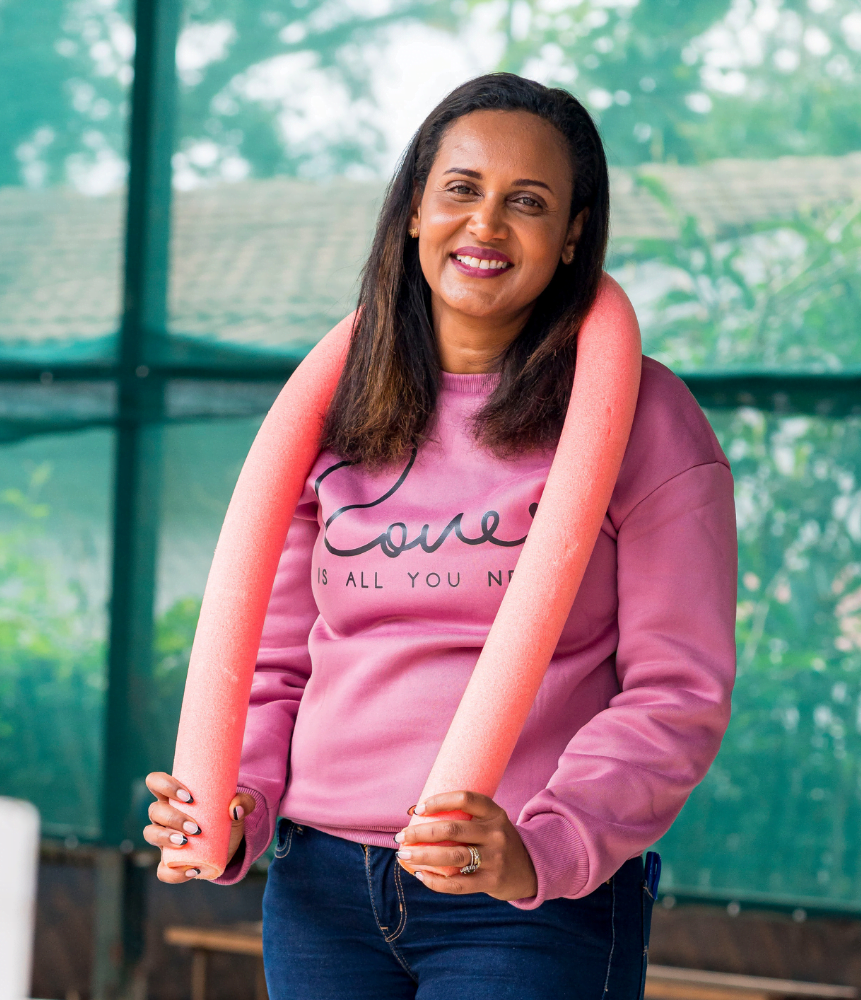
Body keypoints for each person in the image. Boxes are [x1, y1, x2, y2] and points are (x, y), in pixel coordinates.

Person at [143, 72, 737, 999]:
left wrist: (540, 848)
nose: (487, 224)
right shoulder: (333, 410)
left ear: (574, 233)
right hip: (321, 888)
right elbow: (273, 667)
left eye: (528, 202)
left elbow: (677, 694)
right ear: (414, 211)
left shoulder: (641, 418)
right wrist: (236, 805)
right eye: (461, 189)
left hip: (523, 906)